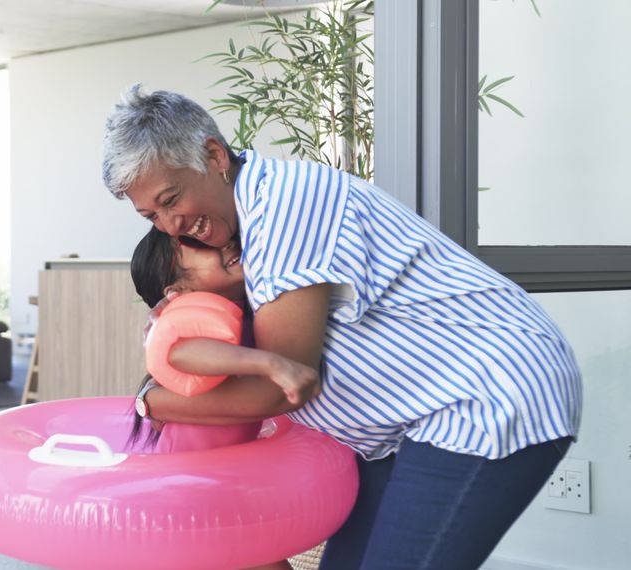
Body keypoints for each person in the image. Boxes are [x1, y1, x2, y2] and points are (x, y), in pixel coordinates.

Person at [102, 85, 582, 569]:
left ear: (213, 154)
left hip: (485, 392)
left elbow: (282, 385)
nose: (171, 223)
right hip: (409, 424)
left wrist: (150, 402)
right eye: (151, 215)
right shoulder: (243, 232)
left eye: (171, 199)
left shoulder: (284, 205)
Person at [127, 229, 300, 570]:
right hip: (189, 490)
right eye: (199, 246)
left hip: (224, 484)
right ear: (178, 291)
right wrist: (270, 363)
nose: (226, 244)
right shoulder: (191, 322)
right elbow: (184, 354)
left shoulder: (241, 312)